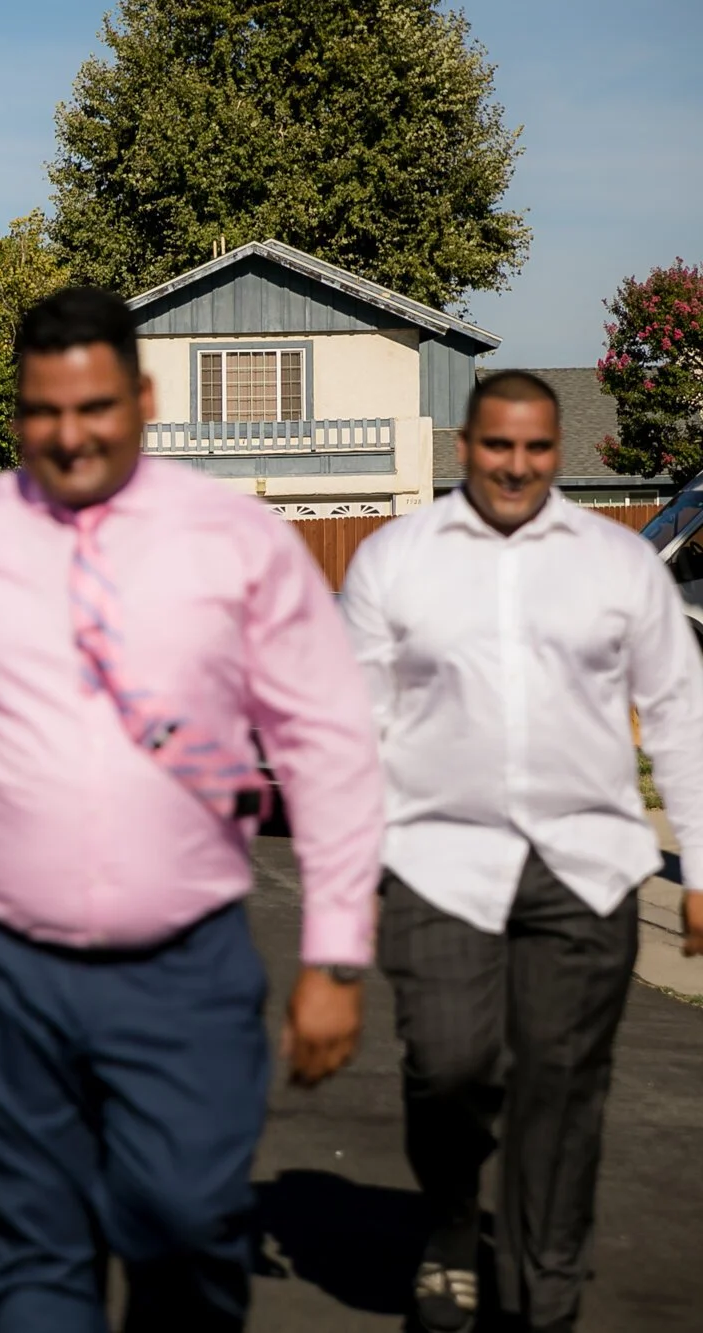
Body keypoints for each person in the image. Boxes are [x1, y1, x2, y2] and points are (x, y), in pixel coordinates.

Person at [0, 286, 385, 1332]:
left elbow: (329, 742)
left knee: (187, 1229)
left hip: (184, 971)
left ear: (143, 399)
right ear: (17, 411)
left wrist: (336, 952)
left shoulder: (237, 543)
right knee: (37, 1260)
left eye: (94, 409)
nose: (68, 435)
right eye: (43, 411)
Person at [339, 370, 703, 1333]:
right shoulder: (395, 559)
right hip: (437, 862)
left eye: (537, 447)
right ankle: (454, 1216)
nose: (516, 464)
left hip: (584, 866)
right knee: (447, 1065)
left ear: (556, 451)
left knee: (563, 1084)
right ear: (466, 446)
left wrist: (702, 869)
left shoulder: (618, 564)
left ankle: (548, 1295)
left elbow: (680, 715)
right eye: (498, 445)